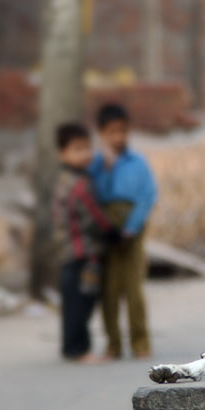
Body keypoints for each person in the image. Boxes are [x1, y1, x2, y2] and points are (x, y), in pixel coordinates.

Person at [88, 104, 158, 360]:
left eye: (123, 131)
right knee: (108, 290)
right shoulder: (96, 165)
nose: (118, 138)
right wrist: (106, 166)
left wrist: (131, 228)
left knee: (133, 289)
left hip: (132, 225)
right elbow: (94, 195)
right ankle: (113, 344)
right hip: (105, 226)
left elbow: (147, 196)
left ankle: (140, 342)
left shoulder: (138, 162)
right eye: (112, 132)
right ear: (101, 134)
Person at [53, 123, 119, 363]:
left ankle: (73, 347)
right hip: (83, 253)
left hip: (68, 251)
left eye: (87, 148)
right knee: (82, 302)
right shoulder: (79, 184)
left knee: (73, 300)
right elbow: (94, 216)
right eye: (77, 149)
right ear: (62, 153)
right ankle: (79, 350)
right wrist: (112, 232)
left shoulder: (66, 178)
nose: (85, 154)